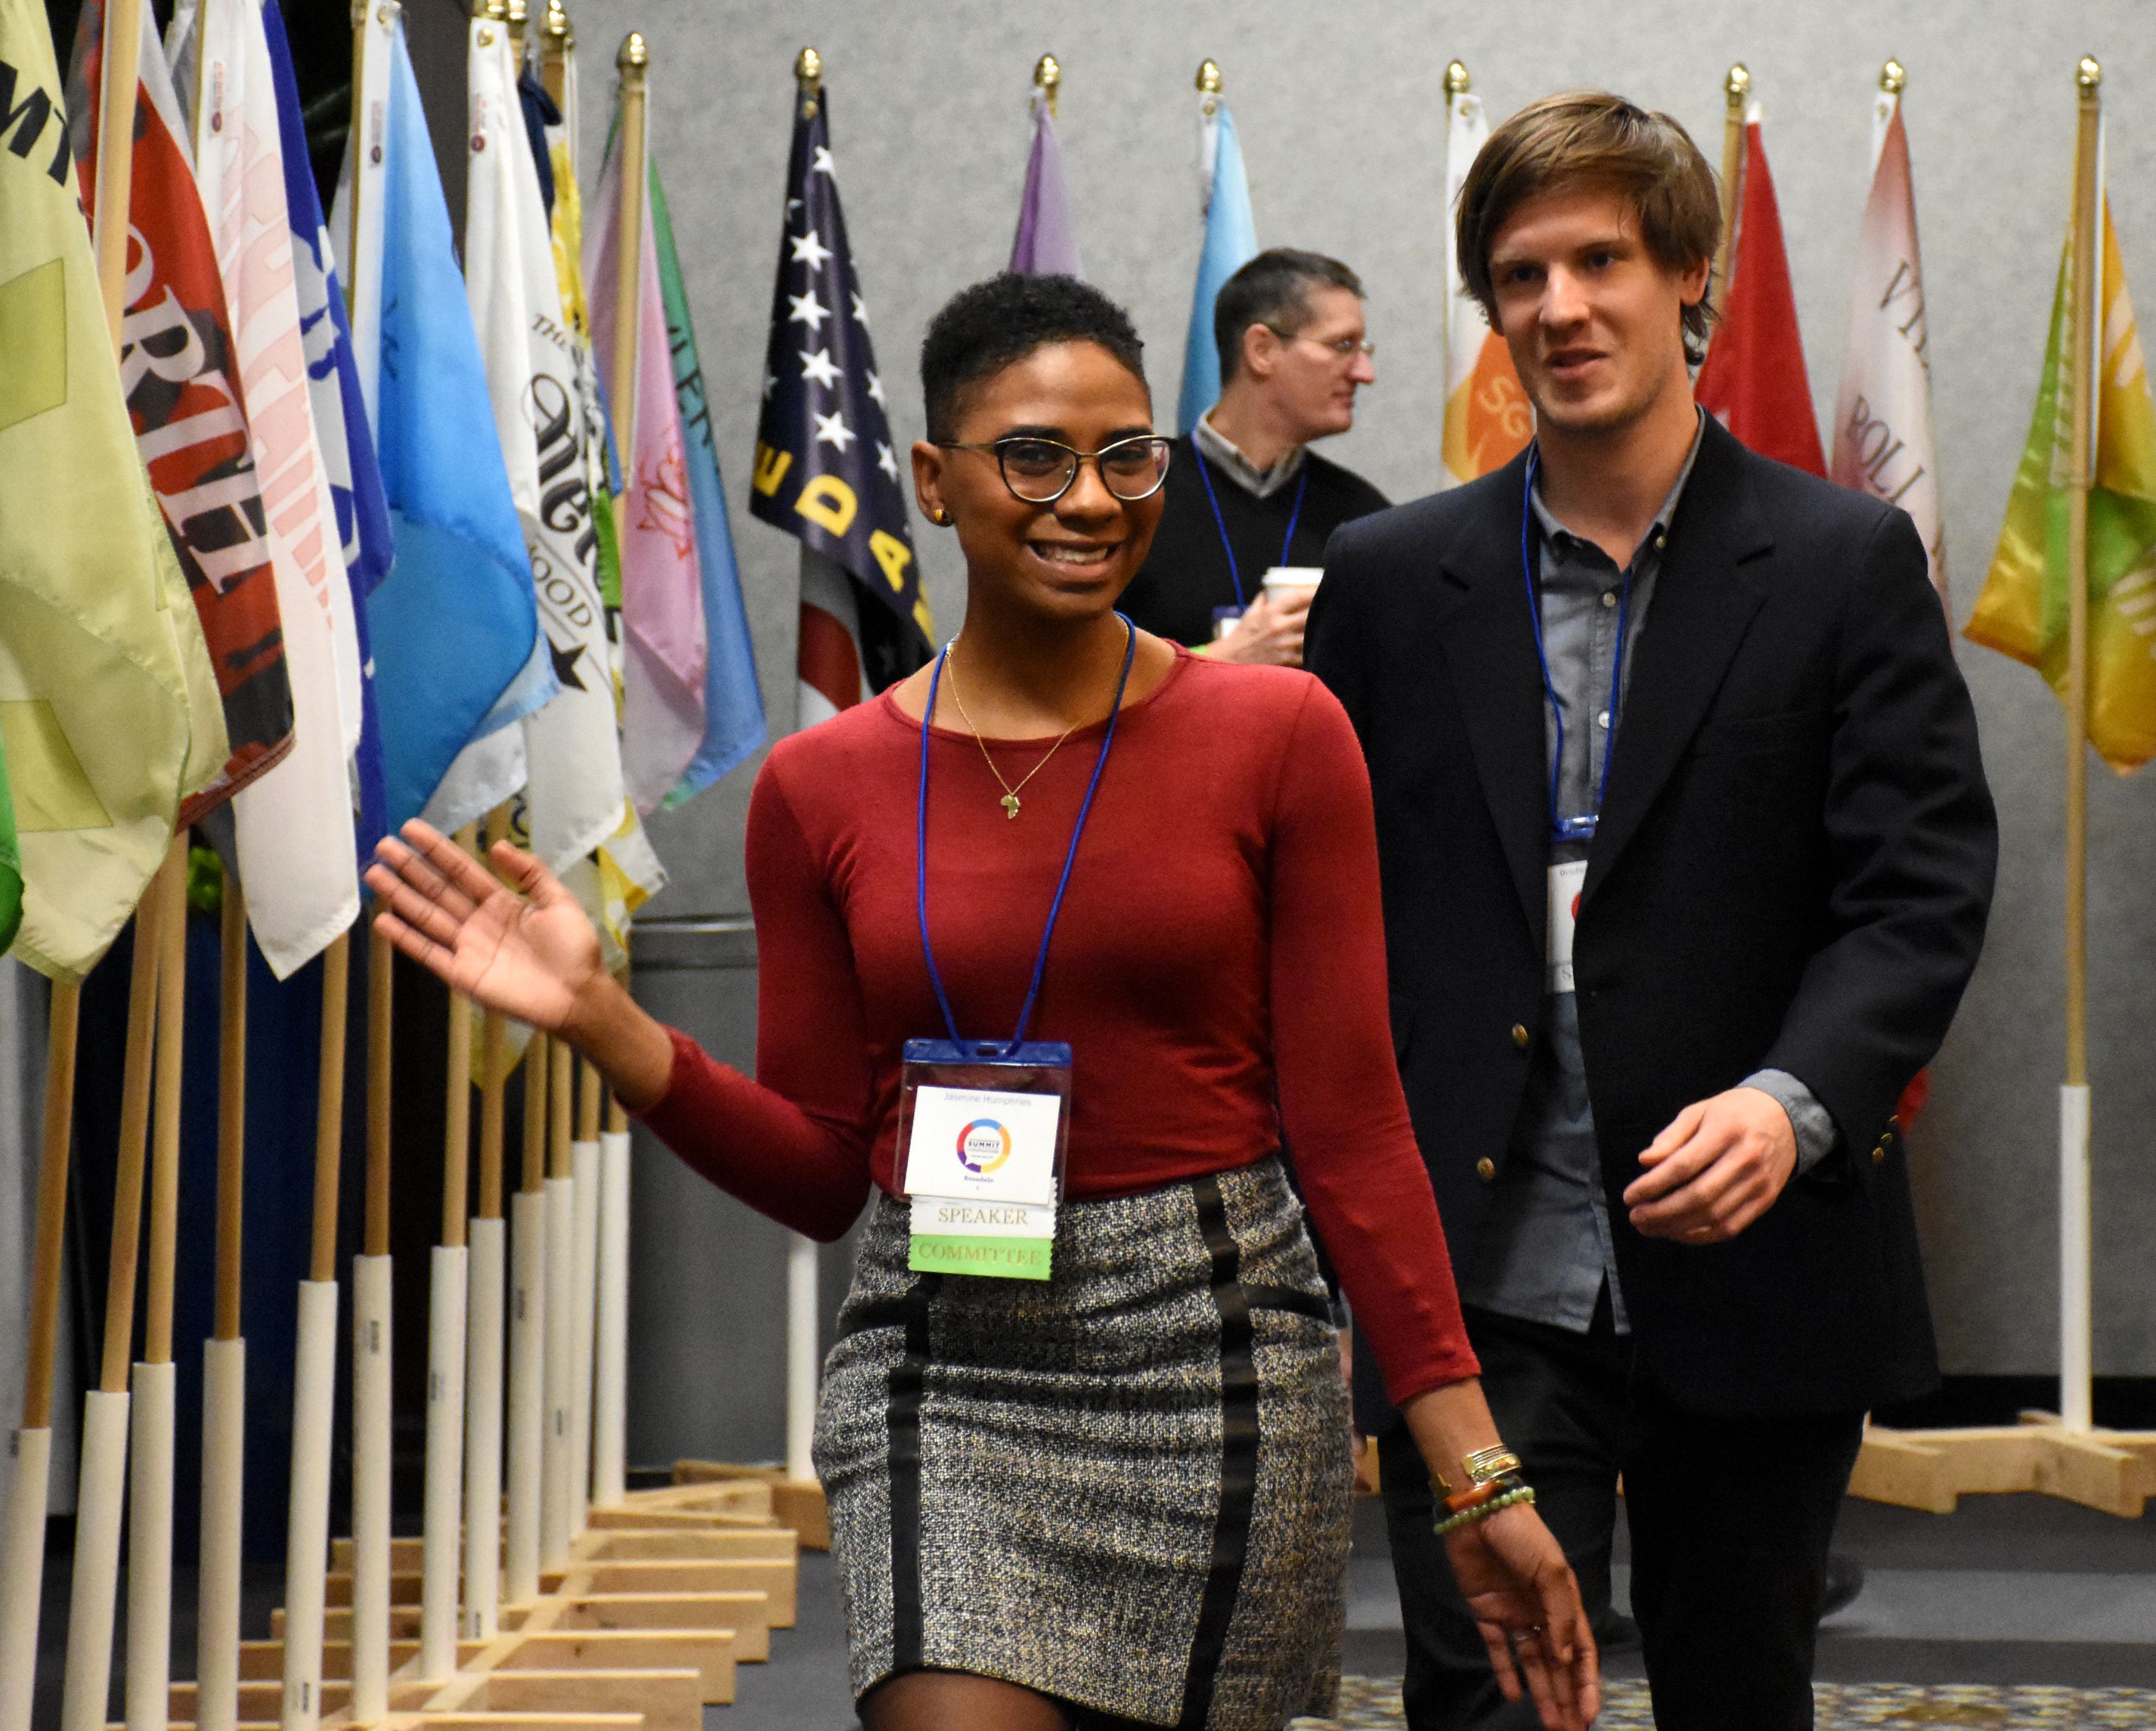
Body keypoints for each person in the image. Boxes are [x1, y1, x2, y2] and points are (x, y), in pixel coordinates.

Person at [370, 271, 1598, 1731]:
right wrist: (604, 1023)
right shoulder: (823, 790)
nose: (1087, 498)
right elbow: (827, 1173)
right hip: (944, 1364)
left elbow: (1350, 1126)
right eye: (1033, 456)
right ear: (936, 483)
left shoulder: (1279, 733)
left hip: (1215, 1354)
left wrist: (1475, 1468)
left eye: (1125, 455)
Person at [1306, 92, 1997, 1730]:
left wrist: (1796, 1101)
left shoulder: (1840, 563)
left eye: (1601, 258)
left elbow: (1917, 890)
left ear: (1691, 274)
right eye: (1521, 274)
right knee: (1480, 1699)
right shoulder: (1396, 583)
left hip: (1754, 1257)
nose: (1560, 309)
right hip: (1479, 1271)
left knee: (1738, 1693)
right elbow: (1330, 913)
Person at [1117, 249, 1387, 665]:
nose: (1364, 373)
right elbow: (1076, 675)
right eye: (1343, 345)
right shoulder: (1133, 491)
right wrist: (1220, 661)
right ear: (1262, 350)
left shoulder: (1365, 518)